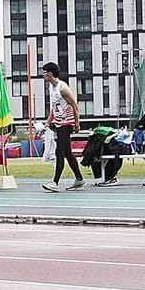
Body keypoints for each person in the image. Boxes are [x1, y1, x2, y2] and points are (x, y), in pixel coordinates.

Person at [40, 62, 85, 192]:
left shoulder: (62, 88)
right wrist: (48, 122)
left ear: (50, 73)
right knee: (68, 153)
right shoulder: (51, 88)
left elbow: (75, 106)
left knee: (59, 151)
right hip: (59, 123)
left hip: (67, 123)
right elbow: (54, 108)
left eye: (44, 72)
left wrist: (77, 123)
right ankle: (79, 178)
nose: (43, 75)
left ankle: (55, 182)